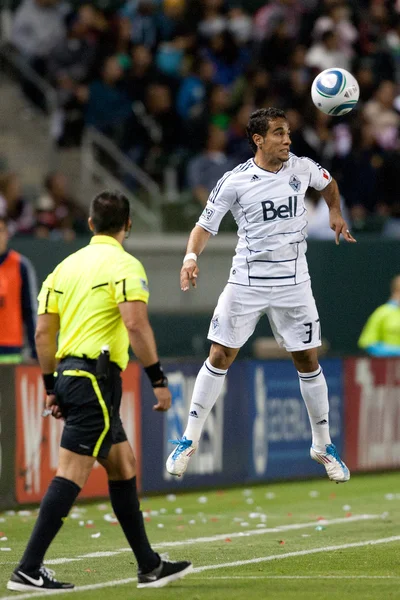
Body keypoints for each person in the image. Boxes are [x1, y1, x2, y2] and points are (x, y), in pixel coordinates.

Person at [7, 191, 192, 593]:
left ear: (90, 224)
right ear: (128, 225)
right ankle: (28, 568)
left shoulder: (63, 268)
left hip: (72, 377)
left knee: (123, 465)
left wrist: (51, 385)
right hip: (95, 380)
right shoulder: (125, 265)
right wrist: (158, 379)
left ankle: (148, 565)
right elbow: (136, 325)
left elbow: (42, 333)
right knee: (72, 472)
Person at [166, 107, 356, 483]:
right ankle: (188, 439)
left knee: (306, 358)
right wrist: (190, 258)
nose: (287, 140)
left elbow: (328, 182)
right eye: (279, 134)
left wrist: (335, 211)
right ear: (258, 139)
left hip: (294, 282)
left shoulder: (301, 168)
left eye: (288, 133)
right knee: (220, 354)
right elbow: (204, 226)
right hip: (247, 282)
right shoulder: (235, 181)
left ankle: (322, 445)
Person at [0, 216, 37, 363]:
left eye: (1, 231)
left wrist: (35, 350)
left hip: (11, 349)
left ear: (7, 234)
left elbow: (30, 311)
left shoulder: (21, 266)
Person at [358, 275, 400, 356]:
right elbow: (367, 343)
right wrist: (395, 351)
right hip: (389, 365)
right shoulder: (382, 313)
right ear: (396, 291)